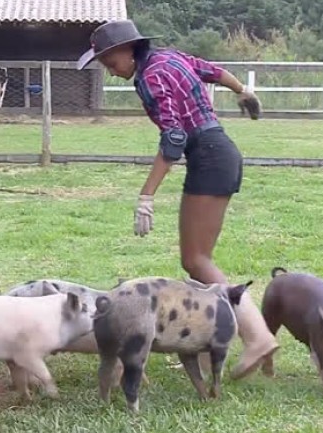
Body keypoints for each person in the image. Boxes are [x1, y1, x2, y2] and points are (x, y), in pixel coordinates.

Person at [77, 19, 279, 379]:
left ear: (127, 50)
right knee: (197, 259)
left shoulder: (150, 77)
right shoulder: (169, 58)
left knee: (197, 260)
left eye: (110, 62)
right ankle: (207, 343)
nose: (110, 71)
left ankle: (257, 336)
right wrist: (242, 91)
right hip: (219, 153)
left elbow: (174, 137)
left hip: (209, 156)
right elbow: (212, 71)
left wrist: (146, 195)